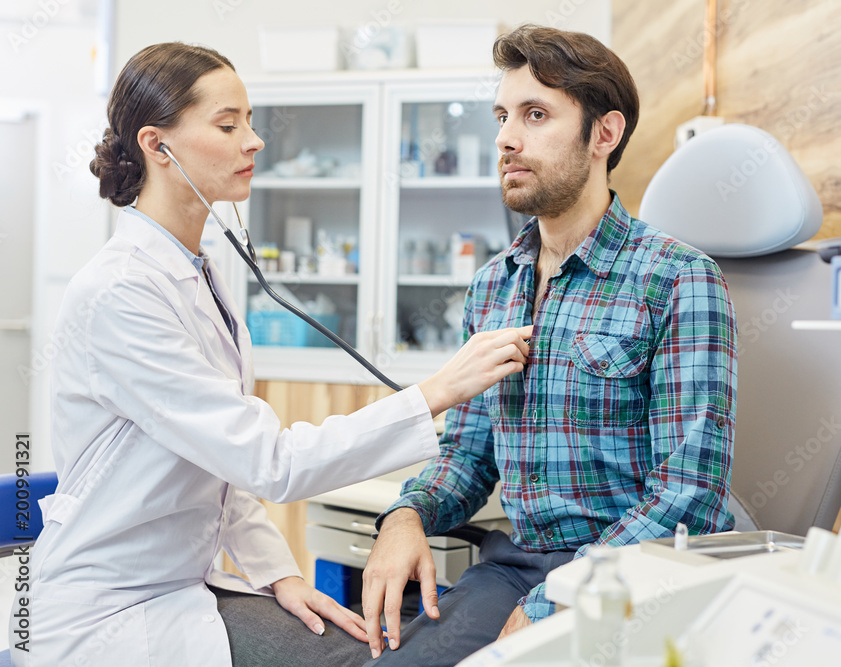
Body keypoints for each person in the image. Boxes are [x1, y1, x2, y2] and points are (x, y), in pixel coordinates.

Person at [10, 42, 532, 667]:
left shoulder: (198, 271)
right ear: (157, 146)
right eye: (228, 125)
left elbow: (220, 471)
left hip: (178, 589)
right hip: (110, 611)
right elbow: (269, 462)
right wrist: (440, 389)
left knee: (365, 643)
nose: (254, 141)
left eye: (250, 123)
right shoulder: (121, 293)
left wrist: (279, 576)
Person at [361, 25, 738, 666]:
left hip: (638, 575)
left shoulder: (679, 279)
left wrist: (552, 604)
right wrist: (406, 516)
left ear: (604, 134)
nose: (507, 138)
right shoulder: (492, 288)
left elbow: (688, 496)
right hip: (515, 565)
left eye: (536, 115)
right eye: (503, 116)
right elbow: (469, 456)